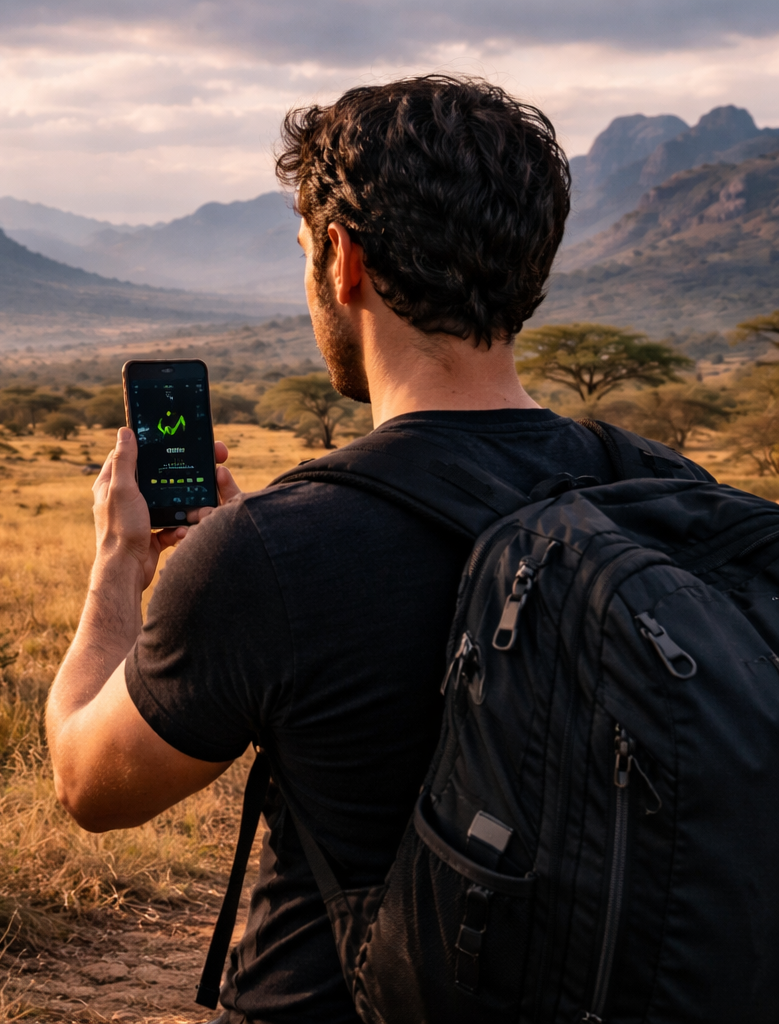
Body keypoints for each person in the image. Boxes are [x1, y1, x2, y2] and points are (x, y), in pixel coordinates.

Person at [44, 76, 710, 1024]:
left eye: (306, 256)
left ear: (343, 259)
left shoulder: (273, 554)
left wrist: (121, 563)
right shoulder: (673, 496)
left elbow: (90, 784)